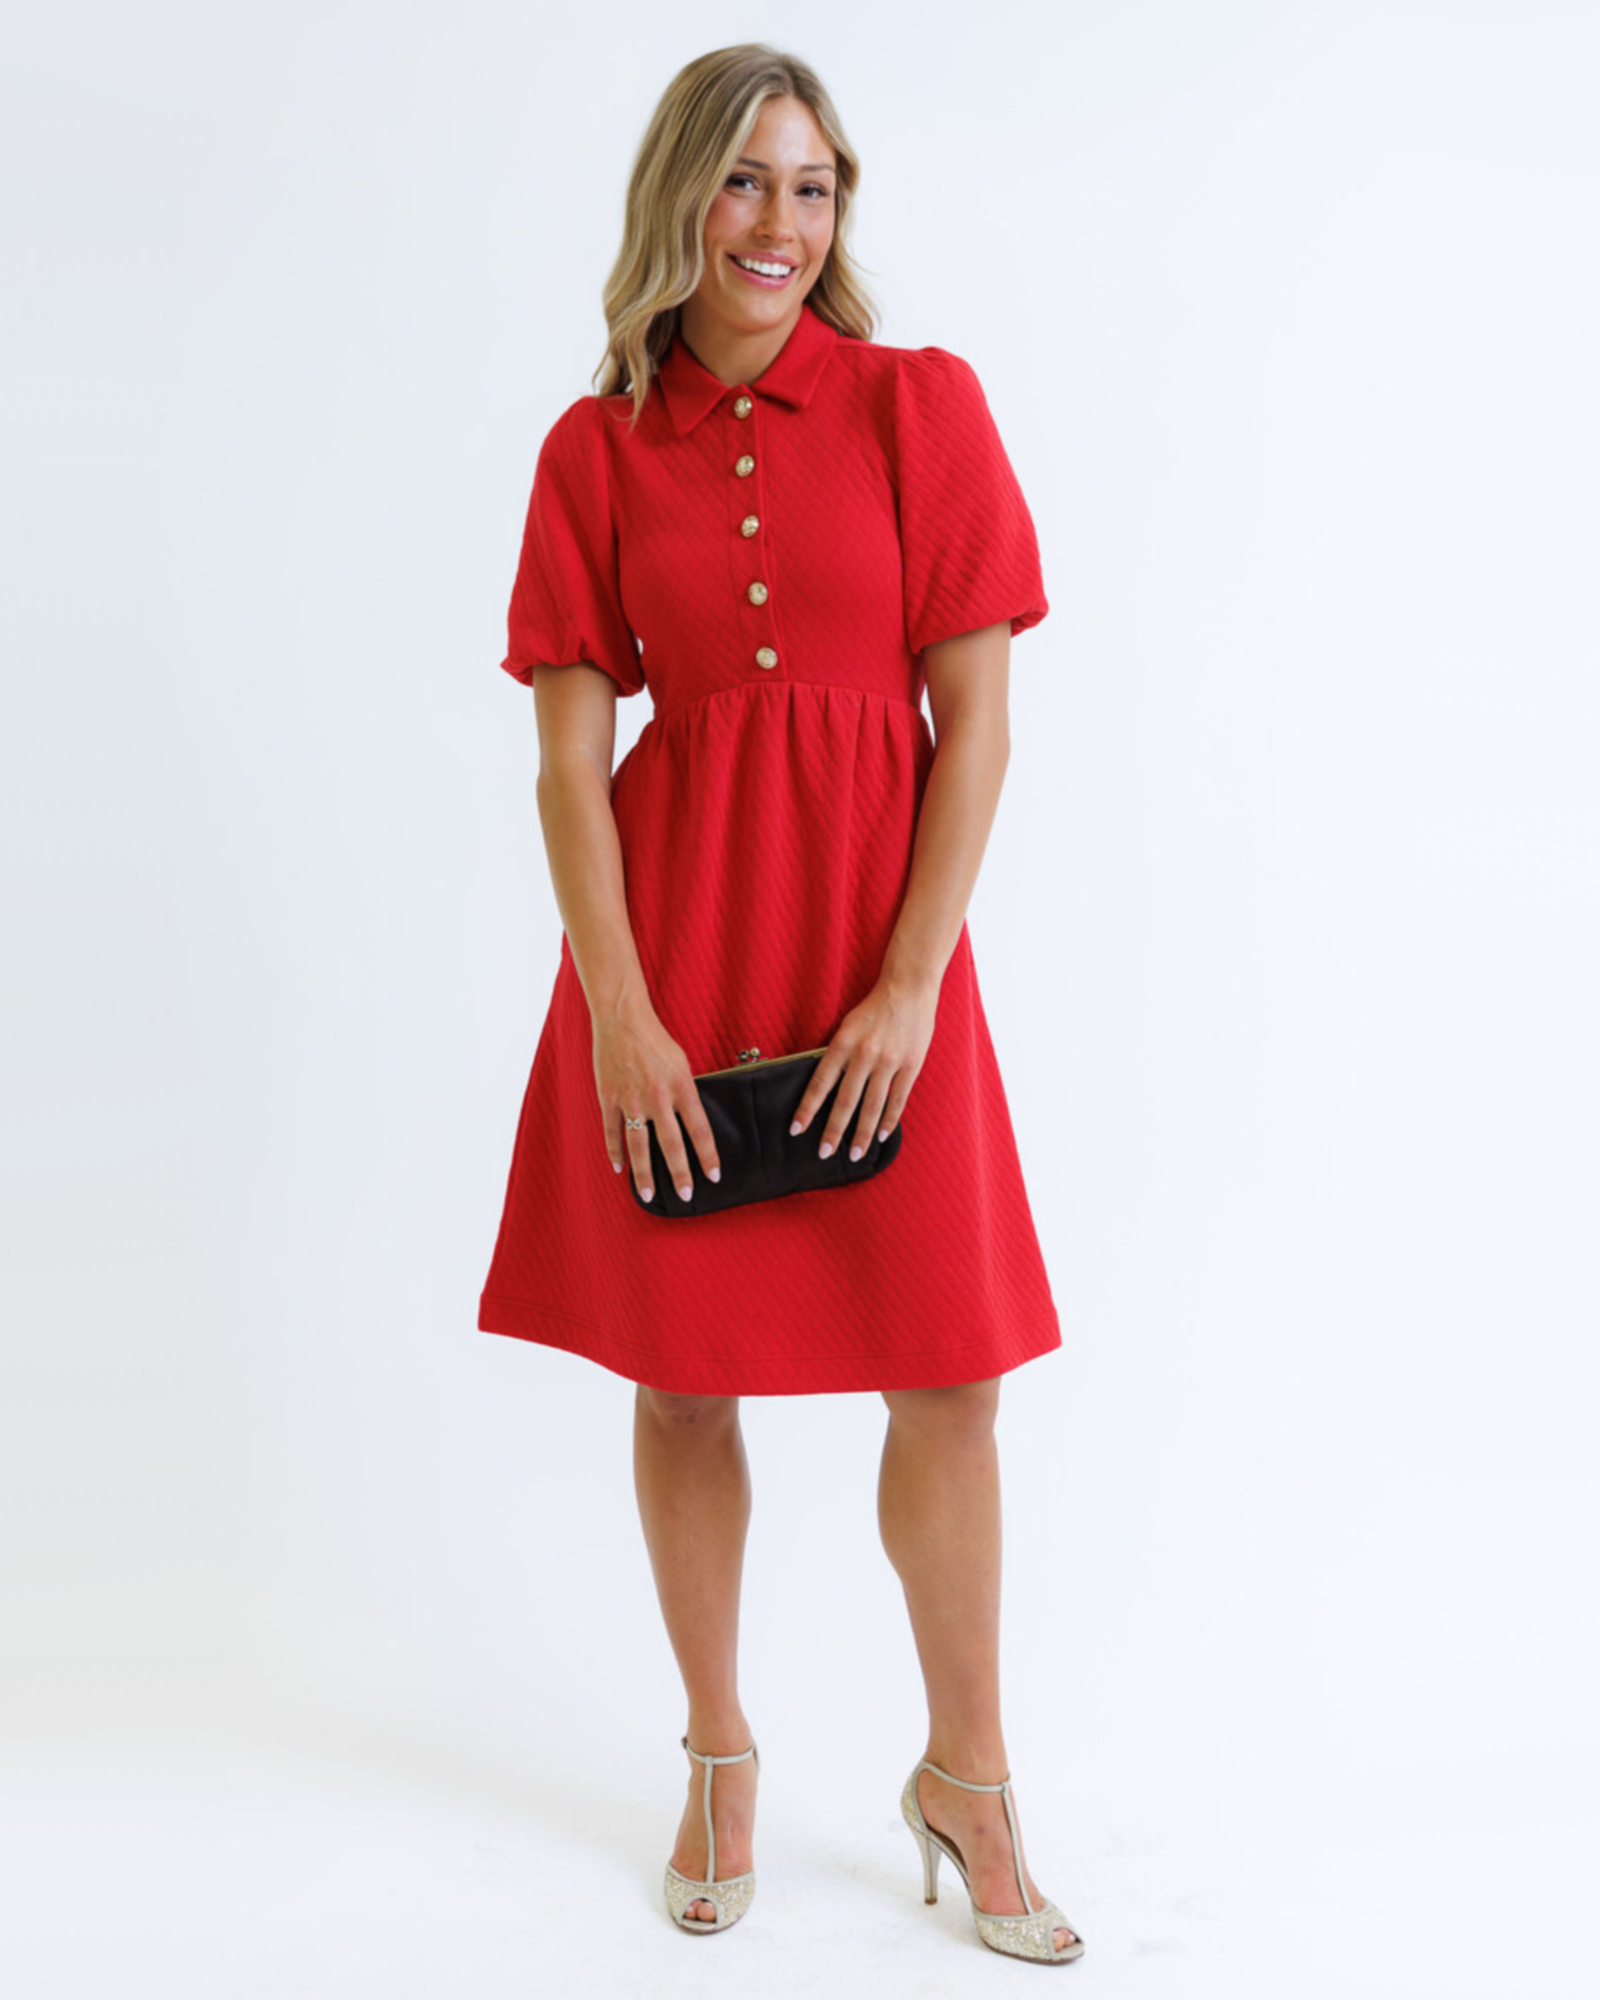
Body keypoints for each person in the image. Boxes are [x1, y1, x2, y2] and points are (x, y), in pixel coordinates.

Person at [477, 44, 1083, 1964]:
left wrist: (910, 986)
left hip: (883, 958)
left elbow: (977, 724)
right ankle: (721, 1756)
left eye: (811, 187)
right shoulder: (594, 452)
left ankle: (969, 1776)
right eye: (745, 182)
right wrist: (621, 1015)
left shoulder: (918, 404)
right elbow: (570, 765)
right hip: (677, 958)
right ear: (683, 197)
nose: (779, 224)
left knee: (952, 1376)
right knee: (683, 1377)